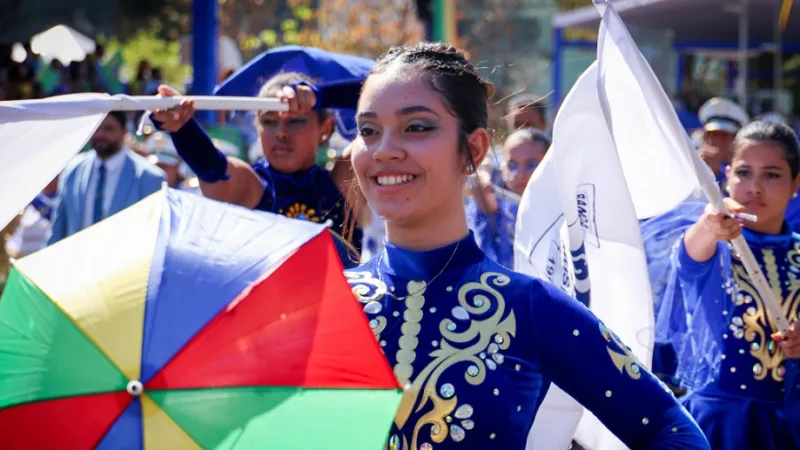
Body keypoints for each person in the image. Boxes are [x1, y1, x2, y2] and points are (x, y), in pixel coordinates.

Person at [341, 42, 708, 449]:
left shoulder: (530, 307)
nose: (385, 150)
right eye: (368, 130)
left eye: (416, 127)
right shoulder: (325, 305)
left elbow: (673, 432)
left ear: (473, 150)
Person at [656, 120, 800, 449]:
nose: (755, 187)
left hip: (788, 426)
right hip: (718, 426)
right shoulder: (714, 243)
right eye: (744, 173)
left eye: (772, 175)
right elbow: (690, 257)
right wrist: (709, 226)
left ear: (795, 184)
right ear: (727, 175)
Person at [149, 73, 363, 268]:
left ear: (325, 129)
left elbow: (383, 96)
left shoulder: (347, 179)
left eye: (296, 120)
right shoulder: (252, 185)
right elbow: (212, 169)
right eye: (269, 121)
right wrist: (182, 129)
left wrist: (321, 95)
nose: (280, 133)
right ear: (257, 127)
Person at [48, 112, 166, 244]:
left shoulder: (149, 177)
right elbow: (58, 229)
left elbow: (155, 235)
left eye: (108, 129)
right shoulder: (73, 169)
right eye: (96, 128)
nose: (100, 135)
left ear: (124, 131)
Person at [466, 128, 549, 268]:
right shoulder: (499, 210)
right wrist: (488, 215)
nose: (520, 174)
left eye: (532, 165)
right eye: (512, 165)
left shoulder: (566, 211)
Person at [697, 97, 749, 186]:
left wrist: (716, 172)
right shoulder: (695, 162)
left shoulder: (746, 166)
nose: (719, 140)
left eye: (725, 135)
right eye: (714, 134)